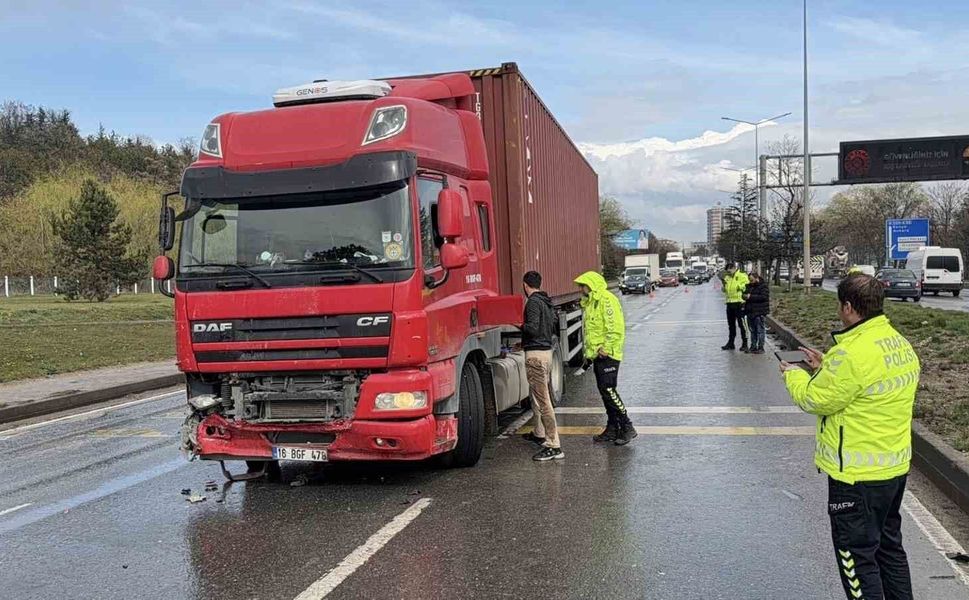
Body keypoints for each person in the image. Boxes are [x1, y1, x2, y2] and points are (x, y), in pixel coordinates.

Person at [780, 273, 919, 600]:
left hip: (856, 478)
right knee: (889, 550)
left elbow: (815, 399)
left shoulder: (851, 354)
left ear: (847, 307)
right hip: (893, 470)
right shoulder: (897, 343)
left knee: (856, 559)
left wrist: (794, 376)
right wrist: (825, 367)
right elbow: (865, 386)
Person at [574, 271, 636, 446]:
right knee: (604, 392)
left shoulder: (607, 300)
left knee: (609, 391)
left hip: (608, 355)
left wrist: (606, 349)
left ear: (591, 285)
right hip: (598, 355)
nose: (581, 289)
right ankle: (612, 427)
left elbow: (615, 328)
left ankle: (627, 426)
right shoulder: (592, 302)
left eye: (583, 285)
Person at [520, 271, 563, 461]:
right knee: (536, 398)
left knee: (543, 401)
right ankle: (539, 433)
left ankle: (554, 445)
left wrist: (518, 324)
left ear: (525, 285)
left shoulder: (532, 303)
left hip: (535, 358)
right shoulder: (547, 302)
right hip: (545, 352)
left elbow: (533, 328)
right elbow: (549, 326)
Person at [721, 263, 749, 351]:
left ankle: (745, 343)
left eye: (729, 271)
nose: (728, 273)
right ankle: (731, 343)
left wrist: (739, 286)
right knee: (731, 325)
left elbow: (746, 287)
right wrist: (724, 287)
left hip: (739, 303)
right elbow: (726, 289)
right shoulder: (727, 278)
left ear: (734, 268)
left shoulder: (742, 276)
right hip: (730, 303)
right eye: (727, 271)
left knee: (742, 325)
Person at [742, 272, 769, 354]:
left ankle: (761, 347)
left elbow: (764, 297)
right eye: (749, 280)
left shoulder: (763, 286)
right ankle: (753, 346)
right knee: (752, 330)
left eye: (752, 280)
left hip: (759, 312)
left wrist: (750, 297)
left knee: (760, 330)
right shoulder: (749, 286)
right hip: (750, 311)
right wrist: (744, 296)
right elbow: (744, 294)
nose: (751, 282)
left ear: (757, 278)